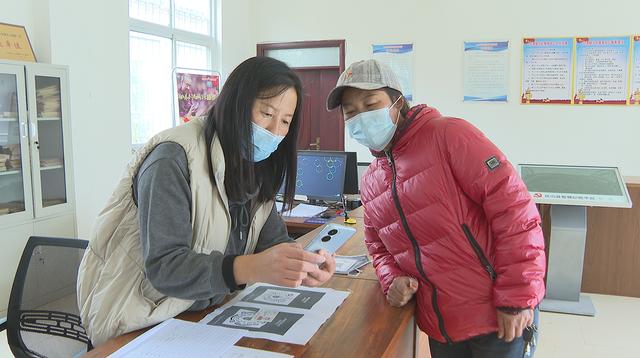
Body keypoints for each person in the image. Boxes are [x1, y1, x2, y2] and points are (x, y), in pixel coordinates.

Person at [77, 57, 336, 346]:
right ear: (237, 103)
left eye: (285, 121)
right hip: (139, 321)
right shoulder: (172, 159)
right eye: (266, 113)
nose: (275, 130)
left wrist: (303, 263)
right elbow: (165, 266)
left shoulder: (255, 165)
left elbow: (272, 241)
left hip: (201, 316)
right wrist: (248, 268)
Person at [326, 59, 546, 358]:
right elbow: (377, 247)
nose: (361, 117)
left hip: (496, 316)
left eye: (370, 103)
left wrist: (518, 298)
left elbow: (516, 212)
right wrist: (392, 279)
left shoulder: (449, 135)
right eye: (350, 112)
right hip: (441, 326)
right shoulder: (372, 180)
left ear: (397, 102)